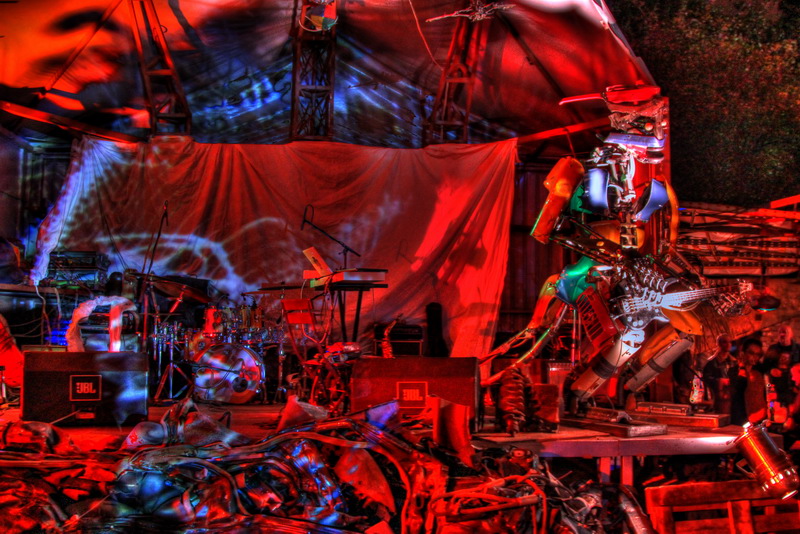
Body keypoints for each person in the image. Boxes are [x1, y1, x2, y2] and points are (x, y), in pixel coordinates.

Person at [730, 338, 769, 426]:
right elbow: (736, 390)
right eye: (751, 353)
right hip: (740, 417)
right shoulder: (734, 371)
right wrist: (742, 367)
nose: (754, 357)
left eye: (758, 354)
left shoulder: (761, 372)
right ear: (743, 353)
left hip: (759, 417)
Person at [702, 334, 737, 416]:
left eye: (730, 342)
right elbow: (706, 379)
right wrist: (720, 382)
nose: (728, 344)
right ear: (718, 344)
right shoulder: (711, 362)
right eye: (725, 342)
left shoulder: (733, 362)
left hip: (731, 398)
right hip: (717, 398)